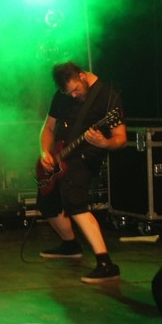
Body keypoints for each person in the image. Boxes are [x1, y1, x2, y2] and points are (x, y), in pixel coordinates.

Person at [37, 61, 126, 283]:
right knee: (46, 200)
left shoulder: (107, 96)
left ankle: (106, 263)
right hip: (61, 155)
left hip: (87, 157)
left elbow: (121, 138)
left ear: (82, 76)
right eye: (69, 93)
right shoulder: (61, 96)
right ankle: (70, 246)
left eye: (75, 90)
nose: (74, 95)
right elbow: (48, 128)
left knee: (74, 200)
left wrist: (105, 142)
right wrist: (44, 151)